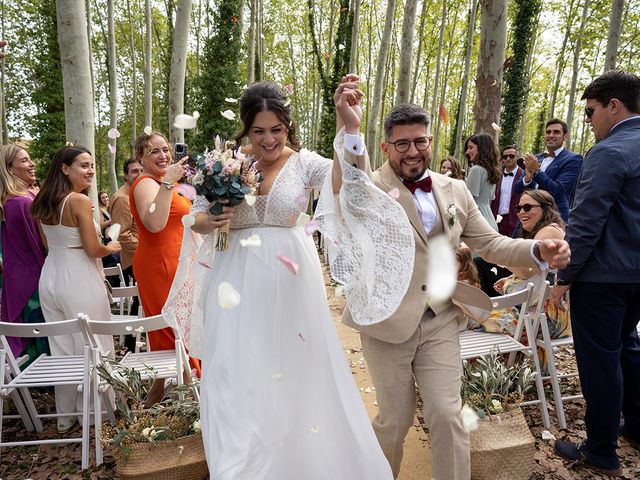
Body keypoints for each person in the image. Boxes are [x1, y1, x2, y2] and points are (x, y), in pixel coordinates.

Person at [332, 79, 570, 480]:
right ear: (387, 146)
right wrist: (350, 128)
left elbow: (492, 243)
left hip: (442, 318)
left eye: (420, 141)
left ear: (431, 141)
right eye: (402, 143)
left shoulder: (455, 189)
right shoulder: (369, 187)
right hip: (386, 321)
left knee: (447, 414)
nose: (413, 151)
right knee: (394, 420)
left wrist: (535, 250)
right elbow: (346, 187)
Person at [166, 81, 394, 479]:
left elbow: (351, 182)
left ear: (288, 127)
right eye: (258, 130)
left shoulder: (305, 163)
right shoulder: (224, 162)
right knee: (232, 370)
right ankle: (238, 468)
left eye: (276, 129)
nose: (268, 139)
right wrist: (210, 219)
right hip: (233, 276)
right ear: (246, 129)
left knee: (292, 366)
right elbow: (195, 216)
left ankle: (298, 460)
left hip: (290, 275)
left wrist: (350, 127)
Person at [551, 70, 640, 477]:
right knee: (628, 350)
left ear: (613, 106)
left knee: (600, 362)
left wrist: (564, 276)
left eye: (590, 111)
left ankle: (601, 449)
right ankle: (636, 426)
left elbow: (586, 223)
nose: (589, 120)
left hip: (604, 278)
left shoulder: (608, 151)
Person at [30, 145, 120, 433]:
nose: (90, 170)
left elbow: (47, 245)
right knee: (94, 342)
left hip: (51, 276)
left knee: (62, 347)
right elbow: (93, 249)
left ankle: (66, 416)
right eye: (84, 165)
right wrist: (112, 247)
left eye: (92, 165)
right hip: (78, 276)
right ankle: (96, 414)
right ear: (65, 168)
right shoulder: (78, 201)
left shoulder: (43, 201)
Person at [130, 131, 201, 406]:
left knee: (179, 329)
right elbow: (155, 224)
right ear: (141, 158)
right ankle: (190, 398)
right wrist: (169, 182)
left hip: (180, 260)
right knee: (175, 329)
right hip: (160, 265)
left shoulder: (165, 183)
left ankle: (161, 394)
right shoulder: (145, 183)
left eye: (165, 150)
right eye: (154, 151)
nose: (163, 156)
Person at [487, 191, 570, 349]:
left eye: (527, 207)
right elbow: (537, 271)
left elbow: (527, 270)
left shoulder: (549, 231)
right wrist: (511, 278)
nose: (522, 212)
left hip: (546, 317)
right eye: (518, 209)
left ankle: (496, 371)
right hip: (535, 312)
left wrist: (497, 255)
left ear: (546, 209)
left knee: (473, 321)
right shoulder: (544, 230)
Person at [0, 144, 49, 362]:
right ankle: (42, 383)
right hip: (29, 276)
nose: (32, 164)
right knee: (36, 332)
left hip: (21, 273)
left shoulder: (24, 196)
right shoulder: (19, 203)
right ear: (9, 169)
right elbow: (38, 244)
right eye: (24, 160)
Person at [514, 118, 583, 223]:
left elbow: (557, 190)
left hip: (553, 216)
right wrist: (527, 179)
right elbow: (517, 189)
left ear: (565, 136)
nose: (551, 135)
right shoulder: (536, 158)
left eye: (556, 132)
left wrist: (536, 171)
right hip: (527, 216)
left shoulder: (574, 159)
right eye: (548, 132)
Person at [110, 159, 143, 350]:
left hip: (141, 255)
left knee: (140, 299)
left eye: (141, 170)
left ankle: (132, 339)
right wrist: (147, 250)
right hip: (134, 258)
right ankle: (131, 341)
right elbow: (121, 234)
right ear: (125, 175)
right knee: (141, 299)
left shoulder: (135, 193)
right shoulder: (122, 198)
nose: (139, 174)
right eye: (134, 171)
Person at [464, 133, 501, 231]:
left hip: (478, 222)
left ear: (481, 148)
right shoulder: (491, 172)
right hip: (490, 220)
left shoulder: (476, 170)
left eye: (471, 148)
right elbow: (490, 198)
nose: (467, 152)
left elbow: (468, 201)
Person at [491, 144, 524, 237]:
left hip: (515, 219)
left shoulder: (524, 175)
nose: (508, 158)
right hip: (497, 219)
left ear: (517, 157)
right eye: (505, 156)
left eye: (511, 156)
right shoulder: (497, 175)